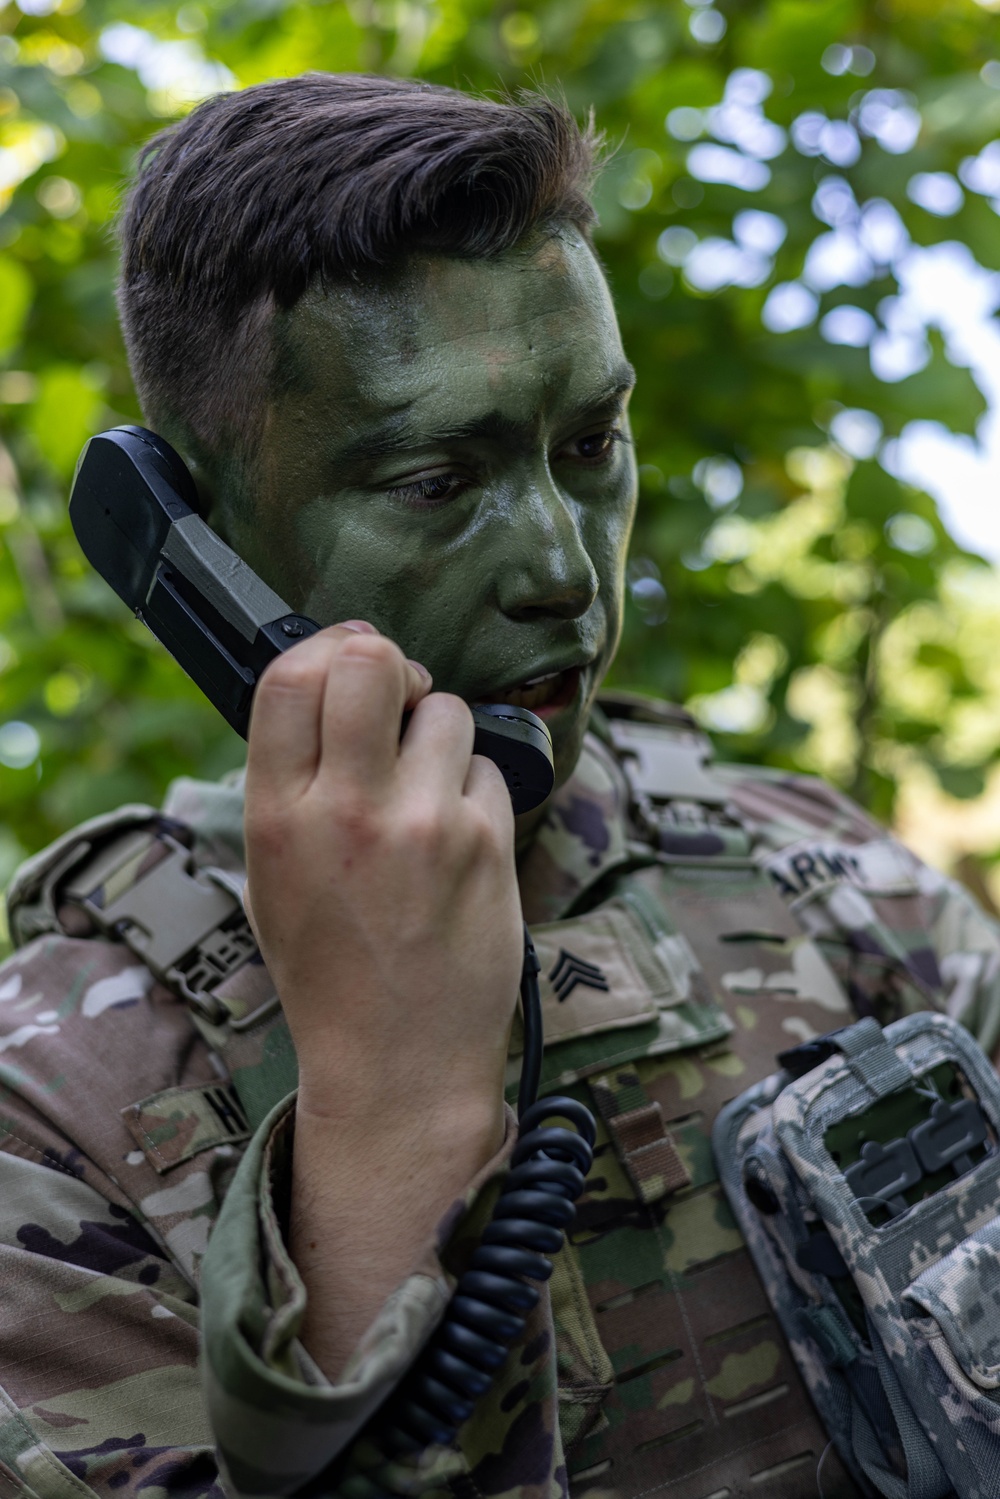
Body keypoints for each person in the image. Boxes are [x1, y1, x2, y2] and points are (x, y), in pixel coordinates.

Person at [3, 71, 1000, 1499]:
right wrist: (392, 1122)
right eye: (432, 477)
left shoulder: (828, 881)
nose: (563, 568)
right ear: (195, 542)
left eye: (590, 447)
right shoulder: (55, 1104)